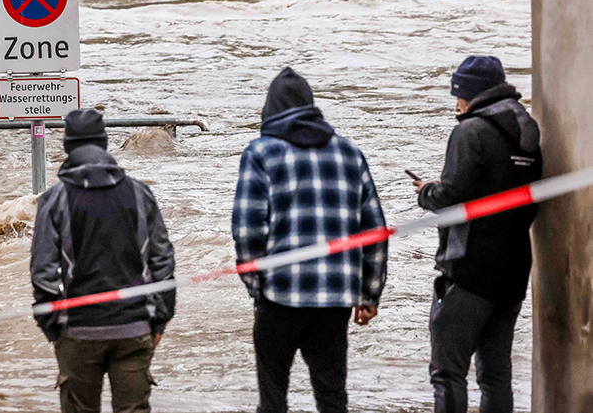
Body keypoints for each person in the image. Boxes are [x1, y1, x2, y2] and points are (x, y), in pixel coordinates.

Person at [232, 67, 388, 413]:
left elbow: (246, 231)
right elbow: (375, 230)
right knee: (332, 399)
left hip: (279, 297)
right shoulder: (350, 154)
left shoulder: (260, 153)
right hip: (335, 300)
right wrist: (368, 293)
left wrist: (256, 286)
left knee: (273, 401)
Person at [414, 56, 542, 413]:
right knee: (495, 375)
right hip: (514, 269)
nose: (457, 103)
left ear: (469, 94)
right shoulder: (526, 130)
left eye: (458, 94)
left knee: (447, 371)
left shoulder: (470, 131)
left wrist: (426, 191)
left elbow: (451, 196)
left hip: (470, 268)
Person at [31, 108, 175, 413]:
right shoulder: (140, 194)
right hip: (134, 328)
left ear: (68, 147)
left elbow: (42, 273)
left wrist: (53, 328)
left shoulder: (54, 200)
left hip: (78, 331)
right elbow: (163, 261)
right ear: (106, 143)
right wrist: (160, 318)